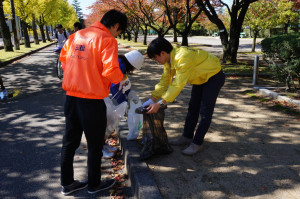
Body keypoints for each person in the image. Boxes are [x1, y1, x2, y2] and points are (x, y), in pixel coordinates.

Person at [59, 9, 128, 195]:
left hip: (71, 97)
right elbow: (111, 73)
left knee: (69, 142)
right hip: (91, 101)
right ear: (114, 26)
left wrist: (79, 74)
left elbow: (63, 60)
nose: (117, 34)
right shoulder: (107, 40)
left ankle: (66, 183)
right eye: (119, 31)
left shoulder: (76, 35)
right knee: (95, 144)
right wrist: (123, 76)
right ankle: (94, 185)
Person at [142, 37, 225, 156]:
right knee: (193, 107)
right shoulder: (169, 60)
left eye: (155, 58)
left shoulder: (182, 57)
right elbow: (165, 81)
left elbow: (178, 84)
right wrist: (152, 99)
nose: (155, 60)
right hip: (200, 79)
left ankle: (197, 143)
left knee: (205, 111)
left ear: (163, 53)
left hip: (213, 77)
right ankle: (187, 136)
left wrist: (161, 103)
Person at [102, 50, 144, 159]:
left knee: (105, 121)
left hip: (102, 93)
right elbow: (115, 86)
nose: (134, 70)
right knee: (103, 121)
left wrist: (129, 94)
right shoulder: (119, 66)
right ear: (132, 64)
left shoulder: (121, 64)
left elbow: (123, 84)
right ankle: (99, 149)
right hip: (100, 94)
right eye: (134, 68)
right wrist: (123, 101)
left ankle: (102, 144)